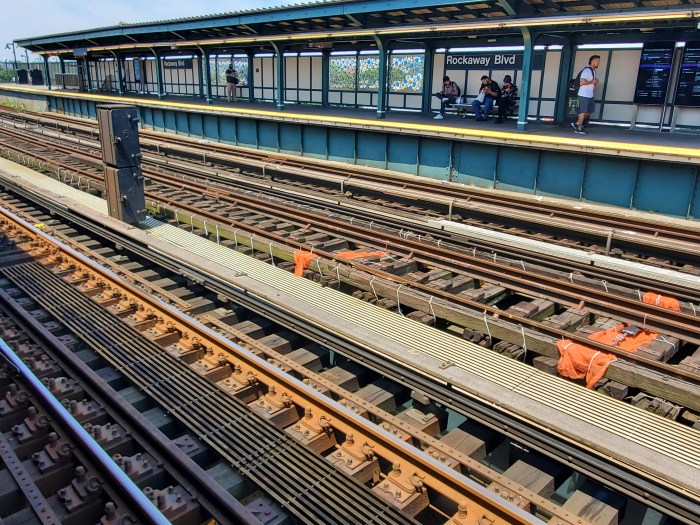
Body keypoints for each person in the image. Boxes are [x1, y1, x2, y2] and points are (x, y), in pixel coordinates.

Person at [571, 55, 600, 135]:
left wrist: (595, 81)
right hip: (583, 94)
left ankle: (576, 123)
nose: (598, 63)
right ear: (592, 61)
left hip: (589, 95)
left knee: (589, 111)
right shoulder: (586, 71)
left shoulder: (593, 71)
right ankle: (579, 128)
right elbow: (583, 82)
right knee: (583, 111)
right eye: (597, 61)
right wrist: (592, 82)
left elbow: (592, 81)